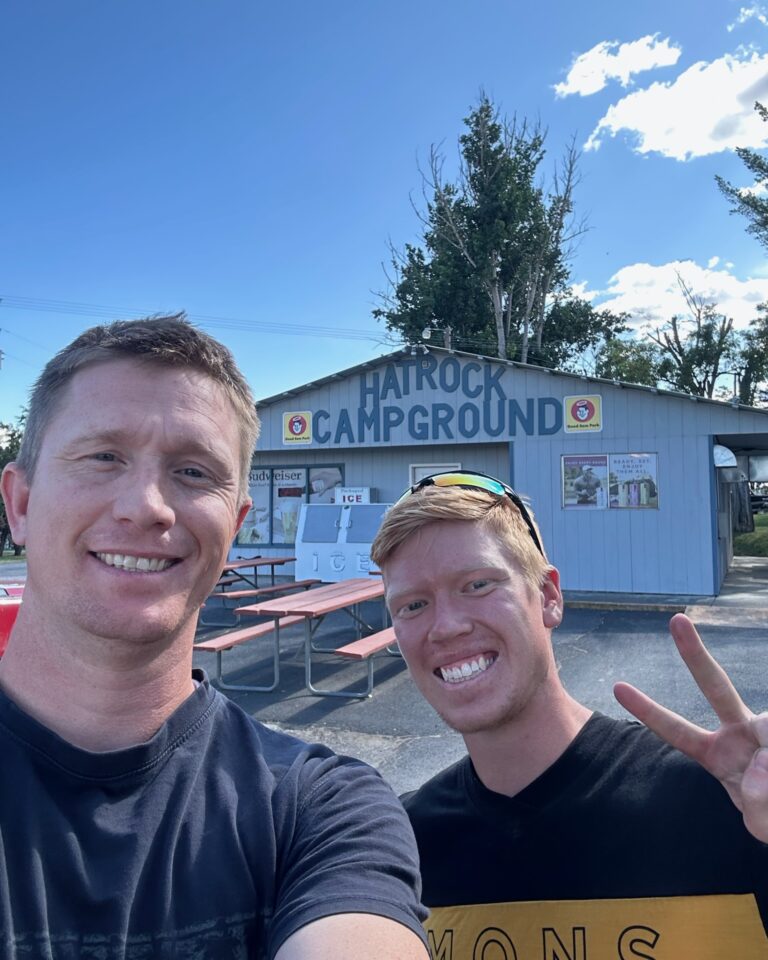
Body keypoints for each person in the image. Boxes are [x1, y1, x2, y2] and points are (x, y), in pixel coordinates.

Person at [0, 315, 428, 960]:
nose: (147, 506)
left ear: (234, 526)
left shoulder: (319, 812)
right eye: (103, 456)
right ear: (21, 504)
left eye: (195, 472)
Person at [371, 469, 768, 958]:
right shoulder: (402, 848)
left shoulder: (732, 801)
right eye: (412, 605)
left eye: (477, 584)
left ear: (549, 597)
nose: (446, 626)